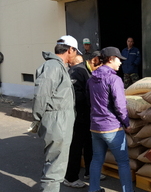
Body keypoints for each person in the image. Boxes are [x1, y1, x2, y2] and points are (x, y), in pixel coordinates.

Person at [32, 35, 80, 192]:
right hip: (57, 121)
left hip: (60, 120)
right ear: (70, 50)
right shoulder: (53, 66)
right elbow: (41, 95)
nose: (76, 55)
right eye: (75, 51)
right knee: (54, 167)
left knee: (56, 164)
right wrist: (37, 120)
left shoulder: (59, 67)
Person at [87, 47, 134, 192]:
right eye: (119, 59)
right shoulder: (114, 79)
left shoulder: (91, 79)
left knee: (96, 159)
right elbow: (120, 105)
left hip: (95, 127)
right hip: (112, 128)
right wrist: (126, 123)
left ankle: (93, 189)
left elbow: (90, 102)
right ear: (111, 59)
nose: (120, 62)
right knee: (123, 163)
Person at [64, 51, 106, 188]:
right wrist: (93, 100)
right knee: (76, 147)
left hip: (88, 116)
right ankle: (70, 178)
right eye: (100, 65)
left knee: (90, 145)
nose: (100, 69)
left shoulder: (89, 71)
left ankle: (90, 171)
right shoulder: (78, 71)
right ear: (94, 60)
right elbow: (75, 96)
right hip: (78, 117)